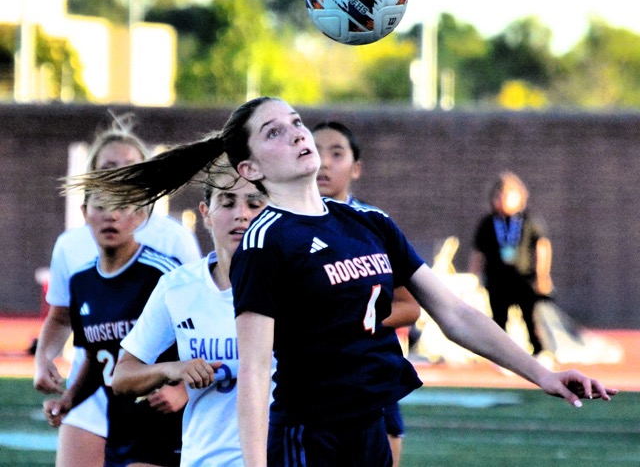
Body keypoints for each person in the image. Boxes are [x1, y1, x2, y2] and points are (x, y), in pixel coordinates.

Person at [67, 97, 617, 467]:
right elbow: (257, 370)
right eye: (274, 133)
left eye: (297, 123)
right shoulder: (266, 240)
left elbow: (454, 314)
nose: (298, 135)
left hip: (369, 429)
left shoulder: (369, 223)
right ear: (251, 169)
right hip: (309, 436)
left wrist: (541, 374)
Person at [34, 114, 201, 467]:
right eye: (110, 166)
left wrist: (182, 385)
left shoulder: (172, 240)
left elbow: (199, 318)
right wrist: (43, 358)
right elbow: (63, 316)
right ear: (92, 175)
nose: (120, 174)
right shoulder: (72, 246)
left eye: (130, 166)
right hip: (97, 384)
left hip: (152, 391)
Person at [110, 159, 269, 466]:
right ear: (206, 213)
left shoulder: (296, 285)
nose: (241, 213)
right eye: (227, 201)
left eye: (254, 203)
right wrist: (172, 370)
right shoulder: (177, 288)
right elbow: (122, 376)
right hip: (203, 459)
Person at [43, 189, 185, 467]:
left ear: (141, 216)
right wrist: (69, 400)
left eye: (123, 206)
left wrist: (184, 390)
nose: (112, 215)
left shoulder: (164, 273)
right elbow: (98, 359)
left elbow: (206, 336)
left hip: (168, 423)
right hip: (120, 424)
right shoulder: (81, 282)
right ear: (84, 212)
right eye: (102, 206)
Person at [313, 120, 419, 467]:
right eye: (315, 152)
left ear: (356, 168)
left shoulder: (373, 223)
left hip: (370, 382)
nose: (323, 162)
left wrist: (358, 315)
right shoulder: (277, 227)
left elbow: (411, 306)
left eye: (336, 153)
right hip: (306, 391)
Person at [468, 171, 553, 362]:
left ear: (520, 197)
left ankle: (540, 351)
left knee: (531, 317)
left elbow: (542, 246)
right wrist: (474, 277)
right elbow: (478, 251)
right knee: (498, 319)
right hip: (497, 280)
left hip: (523, 279)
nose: (504, 200)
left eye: (509, 196)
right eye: (499, 196)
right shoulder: (488, 222)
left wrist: (543, 276)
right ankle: (502, 356)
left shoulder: (529, 220)